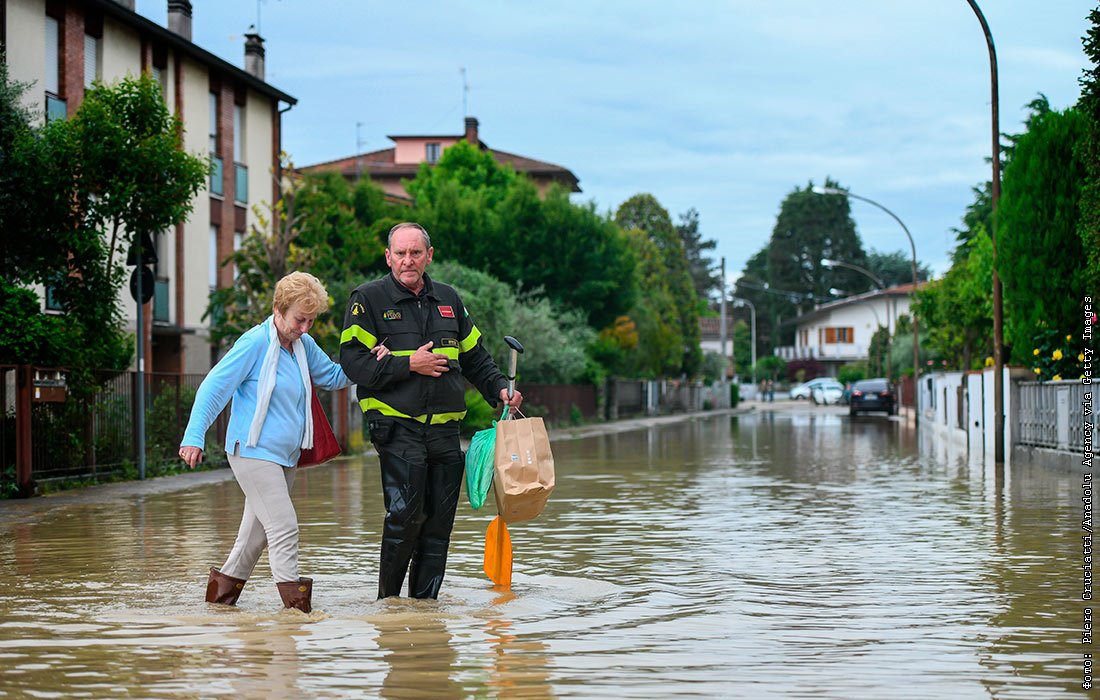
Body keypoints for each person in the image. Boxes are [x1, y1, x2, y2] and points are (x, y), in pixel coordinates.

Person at [340, 222, 522, 600]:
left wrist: (500, 390)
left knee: (438, 524)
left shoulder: (449, 299)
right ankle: (388, 603)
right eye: (401, 253)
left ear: (429, 255)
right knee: (406, 517)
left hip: (444, 431)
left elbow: (475, 358)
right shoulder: (368, 299)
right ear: (388, 256)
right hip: (396, 427)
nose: (408, 261)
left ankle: (425, 608)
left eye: (416, 253)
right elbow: (353, 364)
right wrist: (409, 365)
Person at [179, 271, 353, 613]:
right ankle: (297, 618)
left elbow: (332, 376)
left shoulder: (303, 345)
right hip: (253, 453)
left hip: (285, 457)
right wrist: (193, 436)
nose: (304, 328)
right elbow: (214, 388)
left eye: (311, 321)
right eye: (299, 320)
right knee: (284, 528)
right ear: (278, 309)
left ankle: (217, 611)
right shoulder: (254, 343)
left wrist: (369, 362)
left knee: (253, 541)